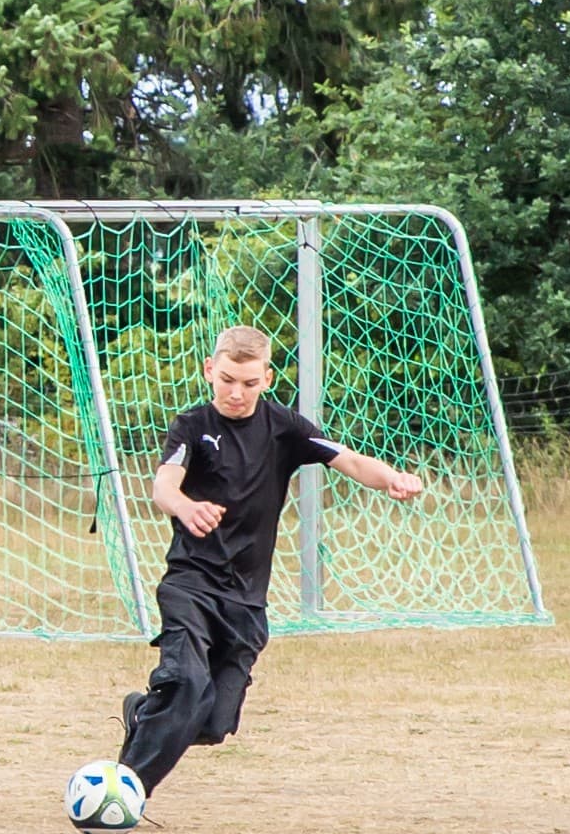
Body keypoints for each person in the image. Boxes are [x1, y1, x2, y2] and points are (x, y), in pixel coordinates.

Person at [116, 326, 426, 804]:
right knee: (187, 684)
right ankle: (124, 792)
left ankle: (143, 714)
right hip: (191, 585)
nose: (236, 392)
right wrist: (185, 507)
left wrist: (392, 479)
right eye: (226, 380)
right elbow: (164, 486)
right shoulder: (191, 425)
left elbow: (350, 460)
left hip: (245, 599)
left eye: (248, 383)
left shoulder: (285, 427)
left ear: (267, 379)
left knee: (214, 723)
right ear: (209, 372)